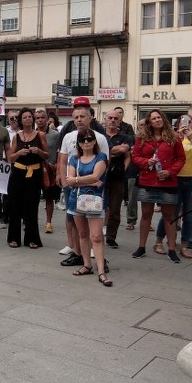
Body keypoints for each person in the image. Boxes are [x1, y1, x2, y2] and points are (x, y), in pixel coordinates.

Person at [56, 98, 109, 265]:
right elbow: (63, 159)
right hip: (71, 186)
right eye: (76, 117)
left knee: (93, 223)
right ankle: (77, 252)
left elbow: (106, 162)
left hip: (92, 188)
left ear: (90, 118)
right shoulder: (68, 137)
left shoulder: (100, 138)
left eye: (82, 116)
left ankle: (98, 255)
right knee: (72, 219)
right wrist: (62, 178)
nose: (79, 120)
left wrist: (99, 180)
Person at [132, 110, 185, 263]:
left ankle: (172, 249)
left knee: (169, 216)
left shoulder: (174, 137)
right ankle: (141, 247)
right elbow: (135, 156)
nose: (157, 120)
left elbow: (181, 159)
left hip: (167, 182)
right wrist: (146, 162)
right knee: (146, 214)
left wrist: (169, 172)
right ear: (149, 122)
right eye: (154, 118)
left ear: (163, 119)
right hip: (147, 180)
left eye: (159, 117)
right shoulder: (142, 138)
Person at [153, 112, 192, 259]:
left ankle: (185, 245)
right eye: (183, 121)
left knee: (191, 215)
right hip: (174, 179)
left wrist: (191, 137)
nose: (186, 123)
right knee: (170, 213)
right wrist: (179, 137)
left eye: (189, 121)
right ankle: (159, 241)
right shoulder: (172, 138)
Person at [66, 128, 112, 286]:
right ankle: (87, 265)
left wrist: (78, 180)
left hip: (95, 201)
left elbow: (95, 176)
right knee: (83, 234)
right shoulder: (74, 159)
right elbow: (69, 180)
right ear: (78, 143)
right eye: (83, 139)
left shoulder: (101, 157)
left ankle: (101, 271)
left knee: (97, 237)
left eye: (89, 139)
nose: (86, 142)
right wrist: (90, 181)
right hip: (76, 200)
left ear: (94, 141)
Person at [6, 107, 48, 249]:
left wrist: (39, 151)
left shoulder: (40, 135)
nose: (28, 119)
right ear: (21, 121)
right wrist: (19, 153)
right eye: (25, 117)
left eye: (30, 117)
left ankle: (32, 238)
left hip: (34, 174)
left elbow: (47, 155)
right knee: (15, 206)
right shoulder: (16, 136)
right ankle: (14, 238)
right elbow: (10, 157)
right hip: (18, 173)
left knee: (32, 206)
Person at [102, 108, 133, 249]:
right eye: (110, 118)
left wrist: (124, 169)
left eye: (116, 118)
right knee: (97, 206)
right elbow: (96, 151)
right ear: (105, 120)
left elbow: (124, 152)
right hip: (100, 176)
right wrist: (114, 150)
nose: (113, 120)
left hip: (117, 177)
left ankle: (110, 237)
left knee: (115, 209)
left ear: (120, 121)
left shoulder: (126, 137)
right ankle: (95, 233)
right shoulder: (99, 136)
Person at [35, 108, 61, 234]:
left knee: (49, 198)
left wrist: (57, 166)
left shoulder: (55, 135)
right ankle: (30, 221)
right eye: (38, 118)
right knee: (32, 198)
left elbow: (60, 152)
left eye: (42, 117)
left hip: (49, 170)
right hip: (33, 170)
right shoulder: (30, 134)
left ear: (47, 119)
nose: (40, 120)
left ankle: (48, 222)